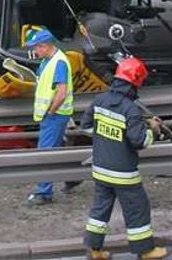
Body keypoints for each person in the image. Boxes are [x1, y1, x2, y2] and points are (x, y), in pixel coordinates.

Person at [81, 56, 167, 260]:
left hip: (101, 169)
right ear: (135, 81)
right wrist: (153, 131)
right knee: (138, 208)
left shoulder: (100, 100)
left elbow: (85, 126)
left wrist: (108, 138)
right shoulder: (131, 109)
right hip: (123, 173)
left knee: (100, 210)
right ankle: (145, 250)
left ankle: (95, 250)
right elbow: (140, 142)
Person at [25, 26, 73, 204]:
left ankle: (43, 193)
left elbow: (61, 93)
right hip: (54, 114)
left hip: (54, 115)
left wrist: (51, 112)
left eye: (36, 47)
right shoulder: (49, 60)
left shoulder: (58, 62)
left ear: (44, 46)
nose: (34, 51)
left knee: (45, 152)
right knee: (57, 149)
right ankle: (73, 177)